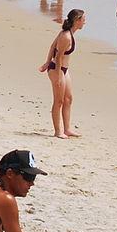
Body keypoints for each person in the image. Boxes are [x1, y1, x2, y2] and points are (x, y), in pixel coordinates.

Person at [38, 10, 83, 138]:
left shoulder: (70, 33)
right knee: (59, 101)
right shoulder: (66, 36)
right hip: (57, 69)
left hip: (64, 70)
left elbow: (52, 46)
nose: (85, 21)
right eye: (83, 19)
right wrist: (56, 73)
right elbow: (57, 57)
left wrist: (46, 62)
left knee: (68, 99)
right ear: (77, 21)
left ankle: (67, 129)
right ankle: (58, 131)